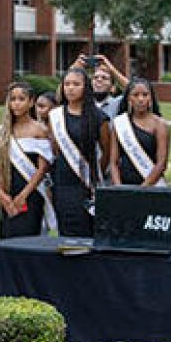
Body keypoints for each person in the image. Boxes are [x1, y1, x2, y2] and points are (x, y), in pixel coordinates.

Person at [47, 67, 109, 236]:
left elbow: (107, 152)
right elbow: (55, 150)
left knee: (87, 232)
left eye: (76, 84)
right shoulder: (55, 116)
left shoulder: (98, 117)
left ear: (86, 87)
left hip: (88, 184)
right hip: (62, 182)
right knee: (66, 232)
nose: (71, 88)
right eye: (67, 84)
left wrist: (95, 173)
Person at [0, 81, 54, 237]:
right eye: (13, 99)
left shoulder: (40, 130)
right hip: (7, 191)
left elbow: (42, 168)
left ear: (31, 102)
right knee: (7, 238)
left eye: (21, 99)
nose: (16, 104)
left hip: (30, 193)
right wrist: (1, 194)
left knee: (28, 238)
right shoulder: (4, 131)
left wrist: (23, 196)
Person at [109, 77, 169, 186]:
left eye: (145, 95)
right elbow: (114, 162)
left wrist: (143, 188)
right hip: (124, 186)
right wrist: (118, 188)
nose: (140, 99)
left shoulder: (160, 124)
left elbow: (161, 163)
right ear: (128, 98)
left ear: (151, 98)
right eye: (135, 95)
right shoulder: (119, 123)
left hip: (152, 187)